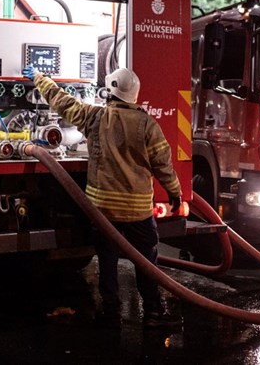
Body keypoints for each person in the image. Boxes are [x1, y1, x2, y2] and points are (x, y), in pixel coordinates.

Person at [23, 64, 182, 330]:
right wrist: (174, 191)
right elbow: (162, 164)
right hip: (137, 211)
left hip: (104, 211)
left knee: (107, 262)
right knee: (146, 262)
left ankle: (110, 313)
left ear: (110, 91)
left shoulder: (95, 117)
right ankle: (154, 312)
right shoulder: (147, 125)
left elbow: (63, 102)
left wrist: (40, 78)